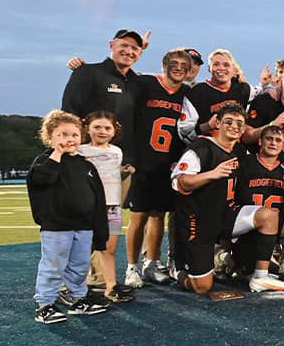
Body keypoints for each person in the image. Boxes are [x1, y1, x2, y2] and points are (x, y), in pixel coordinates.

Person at [121, 48, 194, 288]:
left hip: (168, 163)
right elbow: (120, 78)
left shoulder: (186, 93)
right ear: (164, 65)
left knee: (158, 215)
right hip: (142, 161)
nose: (179, 68)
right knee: (139, 215)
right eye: (174, 63)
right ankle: (131, 267)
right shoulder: (145, 83)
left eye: (185, 65)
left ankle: (151, 262)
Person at [27, 111, 111, 315]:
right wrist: (57, 154)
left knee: (80, 266)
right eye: (62, 135)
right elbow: (42, 179)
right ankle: (45, 304)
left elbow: (98, 200)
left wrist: (100, 232)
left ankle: (77, 298)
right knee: (53, 267)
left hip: (83, 227)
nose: (69, 139)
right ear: (49, 138)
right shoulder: (44, 162)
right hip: (56, 227)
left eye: (74, 134)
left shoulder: (86, 166)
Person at [166, 101, 249, 294]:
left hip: (224, 215)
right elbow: (179, 182)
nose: (234, 126)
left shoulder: (239, 152)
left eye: (239, 123)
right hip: (197, 219)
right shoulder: (202, 147)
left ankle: (245, 266)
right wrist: (211, 174)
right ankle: (177, 270)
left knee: (266, 217)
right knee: (202, 287)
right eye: (228, 121)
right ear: (217, 123)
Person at [229, 109, 284, 291]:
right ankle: (229, 256)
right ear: (260, 141)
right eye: (269, 139)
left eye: (278, 141)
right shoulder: (244, 163)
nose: (273, 143)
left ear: (283, 146)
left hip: (273, 229)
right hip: (245, 227)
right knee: (242, 270)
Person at [77, 112, 134, 303]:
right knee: (83, 247)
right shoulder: (80, 151)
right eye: (97, 127)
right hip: (89, 206)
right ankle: (75, 287)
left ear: (114, 131)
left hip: (112, 206)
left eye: (107, 128)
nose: (102, 131)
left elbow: (109, 173)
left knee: (109, 248)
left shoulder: (117, 151)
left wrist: (124, 172)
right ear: (87, 129)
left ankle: (110, 287)